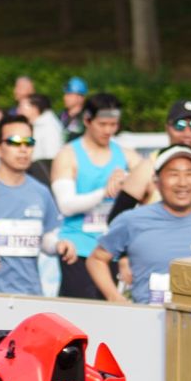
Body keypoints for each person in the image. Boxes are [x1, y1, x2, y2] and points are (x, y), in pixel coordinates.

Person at [87, 144, 191, 306]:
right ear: (156, 181)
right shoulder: (132, 220)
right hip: (148, 320)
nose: (183, 183)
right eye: (173, 174)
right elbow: (97, 259)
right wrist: (114, 296)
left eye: (190, 174)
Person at [51, 93, 136, 299]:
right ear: (87, 120)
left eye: (114, 124)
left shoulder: (126, 155)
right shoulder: (68, 155)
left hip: (112, 251)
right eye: (103, 124)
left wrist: (129, 179)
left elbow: (151, 188)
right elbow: (66, 205)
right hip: (78, 251)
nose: (109, 130)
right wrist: (104, 191)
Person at [0, 113, 72, 297]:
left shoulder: (41, 191)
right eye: (14, 142)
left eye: (29, 142)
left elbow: (45, 237)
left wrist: (58, 245)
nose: (23, 149)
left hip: (32, 295)